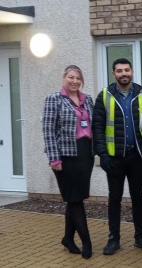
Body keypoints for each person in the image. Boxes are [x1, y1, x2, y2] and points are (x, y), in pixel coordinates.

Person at [92, 58, 142, 255]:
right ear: (114, 74)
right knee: (114, 199)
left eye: (126, 70)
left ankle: (140, 237)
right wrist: (102, 154)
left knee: (138, 198)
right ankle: (114, 239)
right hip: (114, 158)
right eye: (119, 71)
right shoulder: (104, 96)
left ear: (132, 72)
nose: (123, 74)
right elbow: (97, 127)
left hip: (136, 156)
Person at [42, 65, 94, 259]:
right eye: (71, 77)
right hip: (64, 155)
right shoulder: (53, 99)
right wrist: (53, 157)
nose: (75, 81)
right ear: (64, 78)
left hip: (85, 154)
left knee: (76, 197)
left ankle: (67, 238)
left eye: (78, 78)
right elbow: (48, 130)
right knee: (74, 199)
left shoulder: (87, 99)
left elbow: (94, 124)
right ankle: (86, 242)